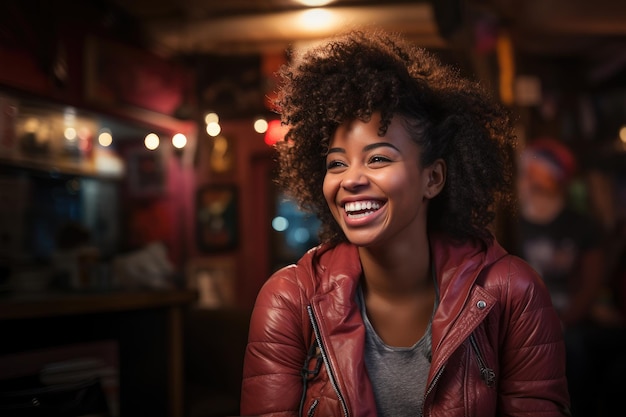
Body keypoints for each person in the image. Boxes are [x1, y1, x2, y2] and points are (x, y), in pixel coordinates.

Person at [241, 29, 570, 417]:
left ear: (432, 178)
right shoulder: (289, 301)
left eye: (378, 159)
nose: (351, 179)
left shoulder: (514, 294)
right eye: (336, 163)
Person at [515, 138, 620, 416]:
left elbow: (590, 285)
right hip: (523, 322)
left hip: (569, 323)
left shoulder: (582, 226)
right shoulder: (512, 225)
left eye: (530, 171)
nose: (523, 179)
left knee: (574, 351)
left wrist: (562, 322)